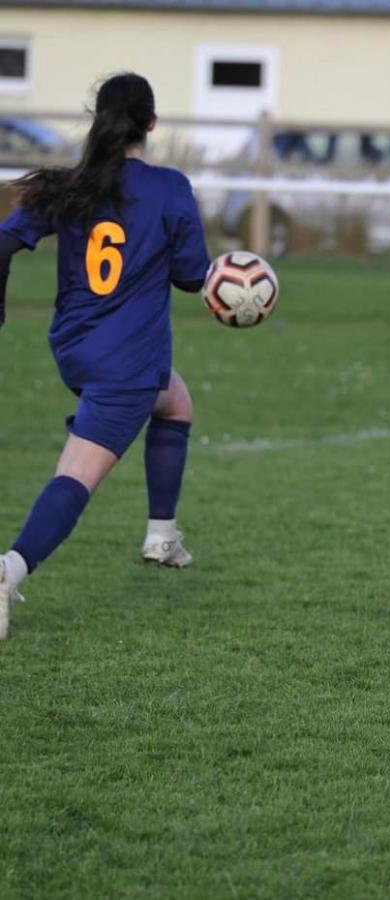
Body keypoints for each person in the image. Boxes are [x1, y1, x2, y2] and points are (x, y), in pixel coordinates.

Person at [0, 72, 210, 639]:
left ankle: (162, 536)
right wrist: (226, 282)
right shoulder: (169, 188)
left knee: (176, 400)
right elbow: (193, 277)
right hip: (124, 365)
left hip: (74, 350)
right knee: (75, 476)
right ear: (152, 124)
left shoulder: (74, 185)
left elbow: (4, 240)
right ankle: (7, 572)